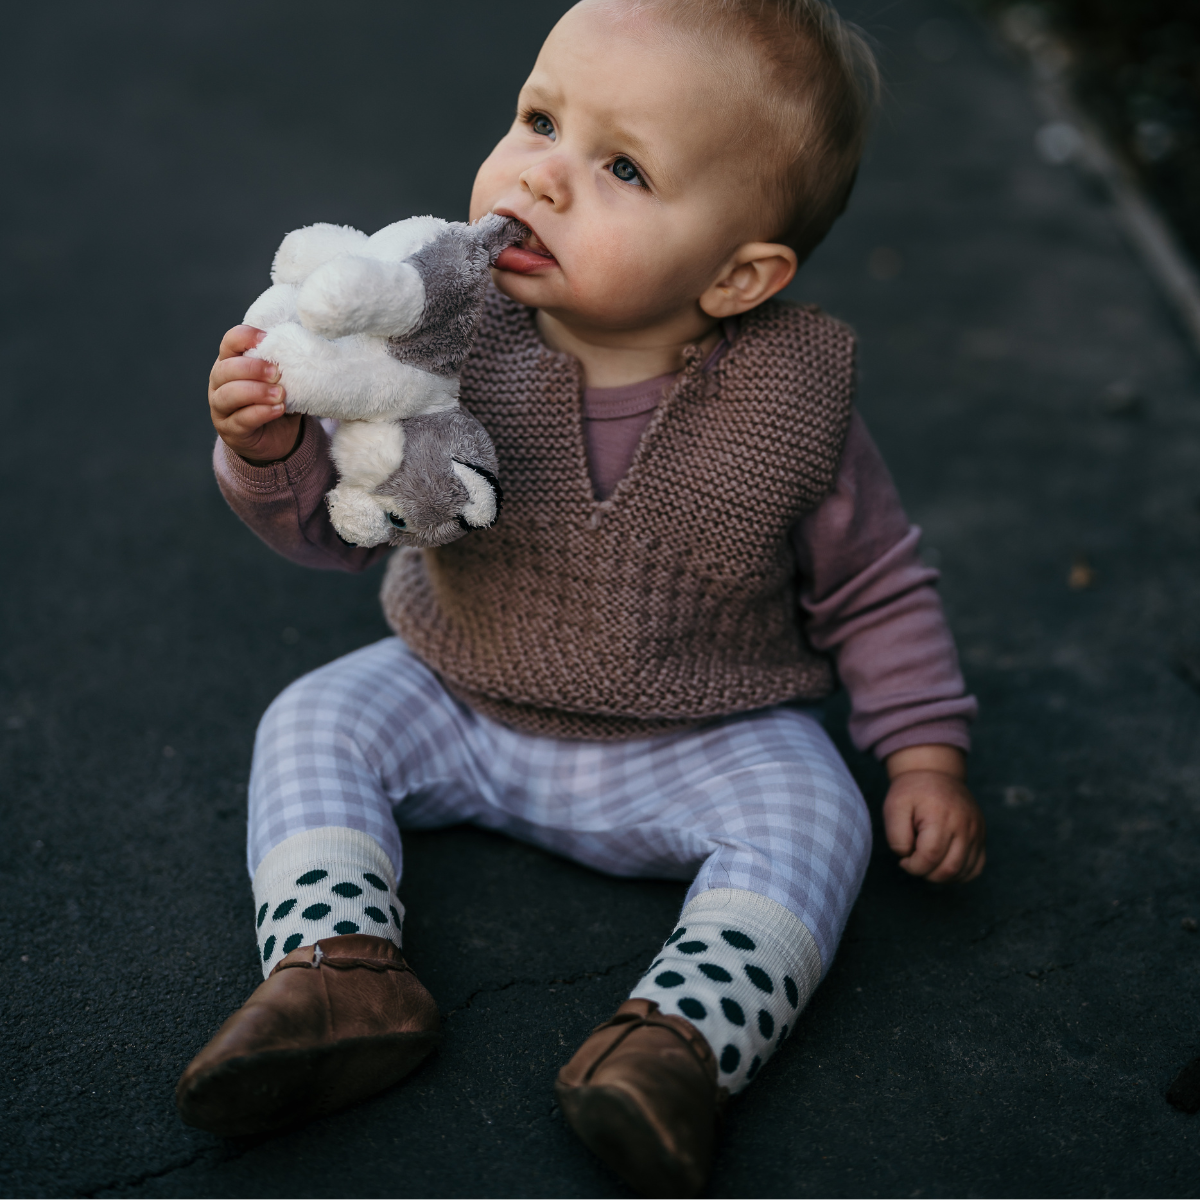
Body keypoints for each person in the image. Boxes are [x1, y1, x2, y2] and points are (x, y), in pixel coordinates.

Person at [178, 1, 985, 1194]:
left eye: (621, 166)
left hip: (693, 733)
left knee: (820, 813)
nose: (543, 178)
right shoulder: (439, 340)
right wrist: (271, 448)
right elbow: (342, 533)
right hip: (456, 683)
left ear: (738, 273)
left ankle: (678, 1046)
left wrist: (924, 752)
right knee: (313, 719)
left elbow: (875, 583)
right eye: (538, 118)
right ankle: (336, 972)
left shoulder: (789, 404)